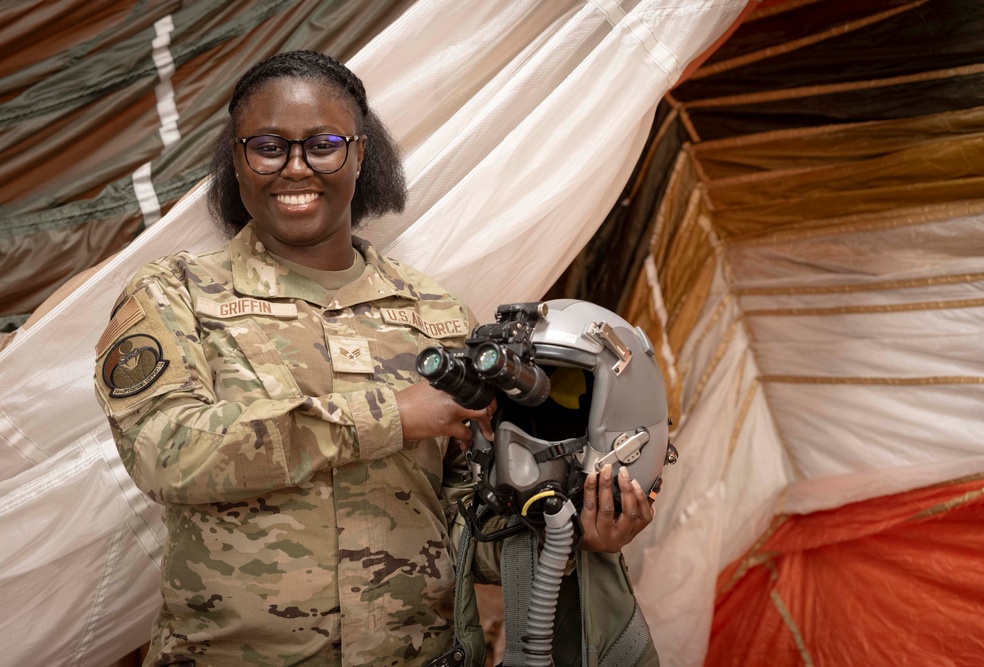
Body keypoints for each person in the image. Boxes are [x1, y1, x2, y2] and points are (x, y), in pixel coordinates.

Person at [94, 49, 653, 667]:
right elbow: (166, 454)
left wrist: (574, 537)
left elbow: (466, 522)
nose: (296, 168)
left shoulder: (439, 315)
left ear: (360, 154)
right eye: (268, 146)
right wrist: (390, 415)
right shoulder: (175, 293)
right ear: (237, 159)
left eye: (324, 144)